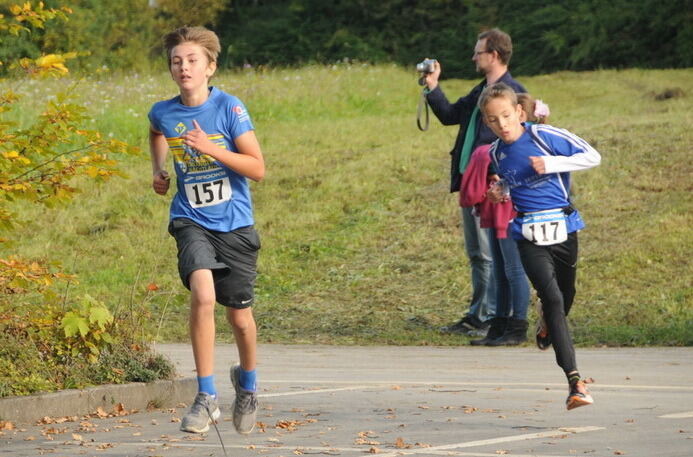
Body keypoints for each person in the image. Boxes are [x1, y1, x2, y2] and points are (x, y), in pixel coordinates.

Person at [148, 26, 265, 434]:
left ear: (210, 67)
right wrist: (159, 170)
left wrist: (213, 148)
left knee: (240, 318)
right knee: (202, 293)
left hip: (234, 224)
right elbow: (156, 130)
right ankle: (206, 395)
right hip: (190, 218)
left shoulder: (229, 109)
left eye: (192, 60)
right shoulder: (164, 111)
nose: (184, 67)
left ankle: (247, 384)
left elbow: (258, 168)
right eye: (177, 61)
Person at [481, 82, 600, 410]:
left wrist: (551, 164)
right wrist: (500, 191)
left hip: (563, 227)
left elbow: (592, 156)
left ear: (519, 112)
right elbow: (510, 180)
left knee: (566, 297)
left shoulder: (544, 137)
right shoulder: (495, 152)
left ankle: (549, 321)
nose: (502, 124)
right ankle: (575, 383)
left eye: (506, 116)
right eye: (493, 120)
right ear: (487, 122)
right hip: (527, 232)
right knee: (552, 297)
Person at [424, 28, 526, 336]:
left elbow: (520, 140)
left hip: (493, 189)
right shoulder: (482, 90)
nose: (473, 57)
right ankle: (479, 314)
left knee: (492, 256)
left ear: (494, 55)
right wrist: (432, 88)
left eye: (478, 52)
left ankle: (492, 317)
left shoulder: (510, 93)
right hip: (473, 186)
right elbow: (450, 114)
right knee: (478, 255)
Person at [460, 144, 530, 346]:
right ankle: (498, 325)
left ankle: (517, 326)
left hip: (511, 213)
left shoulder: (516, 148)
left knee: (514, 271)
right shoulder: (489, 150)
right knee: (500, 272)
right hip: (494, 211)